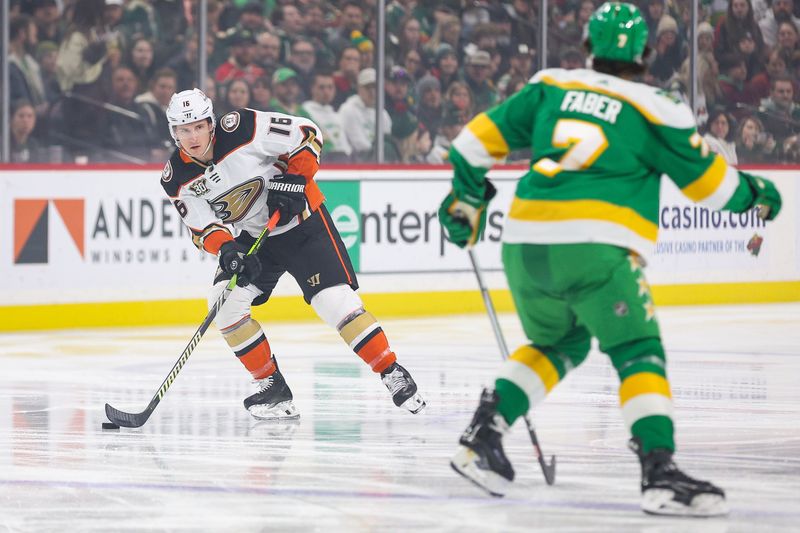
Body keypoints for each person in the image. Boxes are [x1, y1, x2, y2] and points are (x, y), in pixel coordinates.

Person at [439, 2, 781, 517]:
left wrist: (467, 201)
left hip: (525, 245)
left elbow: (469, 145)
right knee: (638, 348)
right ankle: (659, 473)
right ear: (645, 54)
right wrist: (757, 193)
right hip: (596, 250)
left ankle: (480, 438)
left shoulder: (551, 85)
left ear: (588, 49)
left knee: (560, 341)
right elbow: (712, 188)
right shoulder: (657, 106)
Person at [160, 88, 425, 420]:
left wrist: (296, 181)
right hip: (255, 236)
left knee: (333, 302)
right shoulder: (176, 178)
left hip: (303, 224)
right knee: (224, 305)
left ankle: (390, 370)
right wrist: (226, 249)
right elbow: (202, 227)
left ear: (211, 123)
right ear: (173, 133)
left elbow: (307, 134)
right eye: (184, 130)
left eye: (199, 126)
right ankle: (272, 387)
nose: (193, 136)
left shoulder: (241, 127)